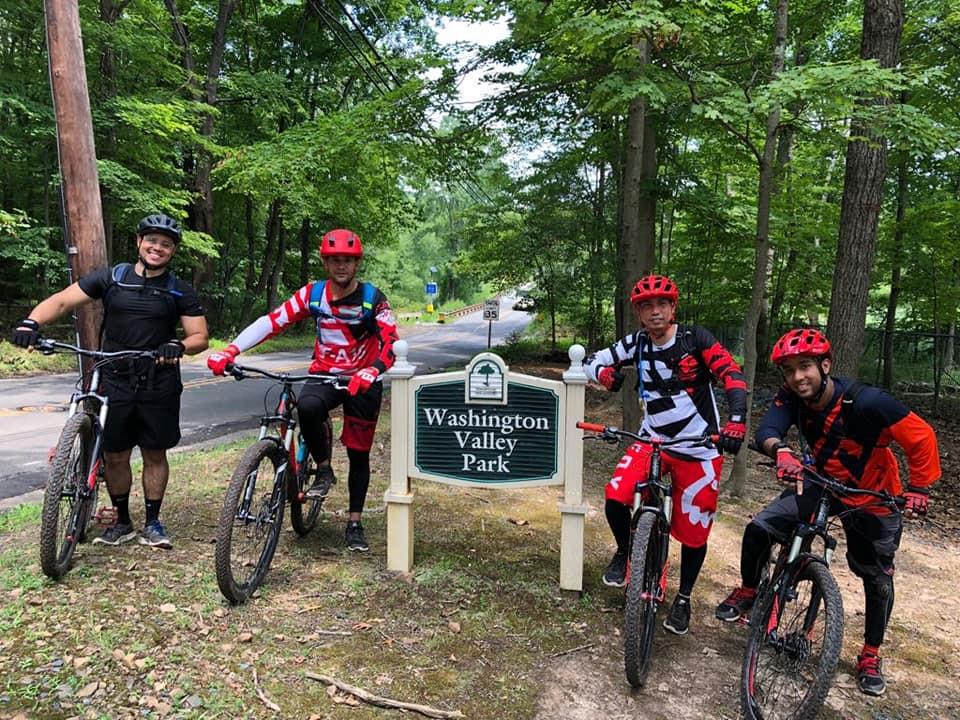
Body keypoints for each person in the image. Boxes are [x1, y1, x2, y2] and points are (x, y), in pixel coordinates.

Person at [715, 328, 941, 696]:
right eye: (789, 370)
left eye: (805, 367)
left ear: (825, 365)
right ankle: (750, 591)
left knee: (877, 578)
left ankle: (870, 652)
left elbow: (921, 437)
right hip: (820, 483)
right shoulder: (792, 396)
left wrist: (919, 487)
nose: (797, 377)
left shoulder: (868, 402)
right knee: (760, 528)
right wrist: (781, 451)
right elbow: (768, 430)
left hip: (873, 495)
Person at [11, 214, 209, 549]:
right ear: (138, 242)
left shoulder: (179, 289)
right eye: (152, 241)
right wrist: (31, 322)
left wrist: (177, 345)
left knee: (154, 452)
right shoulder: (113, 278)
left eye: (165, 244)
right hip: (113, 377)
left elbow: (200, 336)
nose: (157, 248)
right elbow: (62, 300)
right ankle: (122, 522)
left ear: (173, 250)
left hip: (157, 379)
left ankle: (153, 522)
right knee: (115, 455)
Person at [207, 228, 398, 552]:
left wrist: (373, 370)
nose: (341, 267)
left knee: (358, 452)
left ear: (357, 264)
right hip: (324, 373)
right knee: (307, 407)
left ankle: (354, 521)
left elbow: (391, 342)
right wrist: (231, 350)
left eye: (348, 261)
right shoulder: (312, 294)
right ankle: (323, 469)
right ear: (325, 263)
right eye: (335, 260)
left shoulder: (372, 299)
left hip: (363, 378)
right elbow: (273, 321)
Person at [584, 274, 747, 636]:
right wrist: (605, 375)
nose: (654, 312)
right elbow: (592, 360)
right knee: (616, 495)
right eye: (646, 306)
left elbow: (732, 375)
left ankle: (684, 598)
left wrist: (736, 420)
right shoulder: (638, 343)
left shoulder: (695, 339)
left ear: (673, 308)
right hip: (652, 440)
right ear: (639, 313)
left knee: (694, 533)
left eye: (661, 304)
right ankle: (628, 553)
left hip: (698, 448)